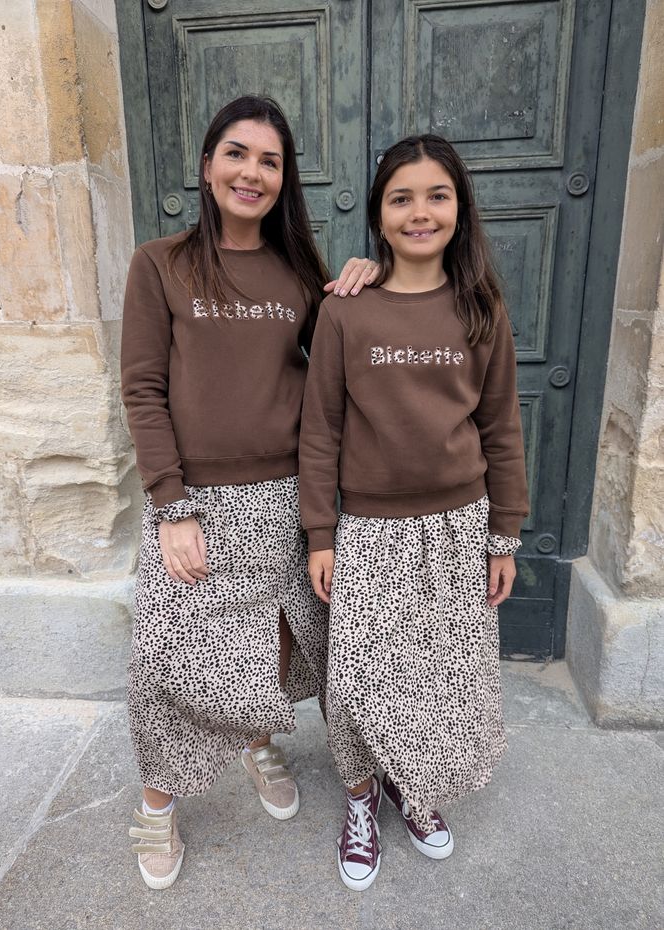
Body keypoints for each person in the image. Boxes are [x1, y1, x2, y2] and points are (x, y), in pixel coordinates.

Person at [120, 94, 377, 890]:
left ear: (283, 176)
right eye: (237, 153)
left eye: (269, 160)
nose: (252, 172)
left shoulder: (300, 269)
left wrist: (369, 280)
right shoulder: (159, 263)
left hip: (287, 497)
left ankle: (257, 739)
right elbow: (142, 387)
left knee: (282, 641)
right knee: (164, 662)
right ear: (207, 166)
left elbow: (340, 362)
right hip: (194, 503)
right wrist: (171, 507)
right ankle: (157, 808)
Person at [299, 133, 529, 891]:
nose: (420, 212)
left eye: (437, 195)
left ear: (460, 208)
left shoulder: (479, 306)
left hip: (458, 529)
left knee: (437, 674)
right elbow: (322, 430)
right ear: (379, 214)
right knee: (358, 676)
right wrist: (322, 532)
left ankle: (416, 785)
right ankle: (362, 797)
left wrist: (506, 534)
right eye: (401, 198)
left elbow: (500, 426)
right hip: (368, 531)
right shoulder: (346, 312)